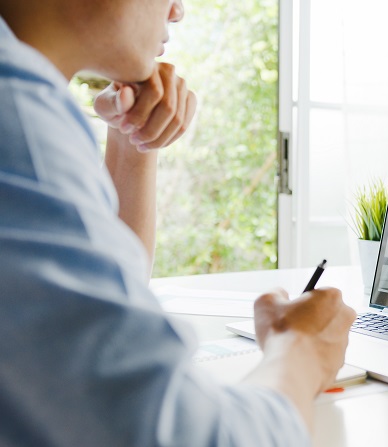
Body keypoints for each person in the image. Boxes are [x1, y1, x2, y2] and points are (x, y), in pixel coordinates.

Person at [0, 1, 355, 445]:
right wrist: (301, 349)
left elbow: (104, 308)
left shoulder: (25, 97)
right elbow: (183, 436)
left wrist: (133, 141)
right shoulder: (17, 120)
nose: (177, 10)